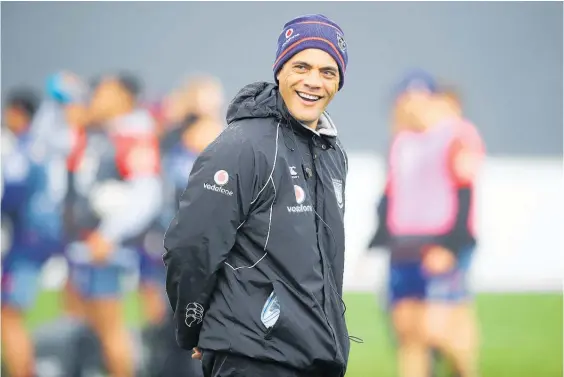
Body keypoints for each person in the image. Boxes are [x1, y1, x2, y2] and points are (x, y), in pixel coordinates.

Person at [163, 14, 352, 377]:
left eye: (328, 72)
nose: (314, 81)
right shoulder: (241, 146)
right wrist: (194, 328)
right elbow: (191, 246)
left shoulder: (332, 153)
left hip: (315, 357)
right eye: (302, 66)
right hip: (252, 358)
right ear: (279, 69)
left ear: (340, 81)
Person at [369, 70, 484, 377]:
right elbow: (391, 194)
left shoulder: (455, 135)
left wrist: (449, 245)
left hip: (440, 242)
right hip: (404, 246)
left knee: (442, 331)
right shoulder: (400, 142)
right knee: (408, 334)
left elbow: (464, 192)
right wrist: (377, 239)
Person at [65, 72, 162, 377]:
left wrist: (108, 235)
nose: (96, 97)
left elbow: (146, 195)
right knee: (88, 321)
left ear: (122, 96)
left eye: (105, 91)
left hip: (107, 248)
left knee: (111, 327)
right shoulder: (103, 132)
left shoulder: (133, 134)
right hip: (86, 243)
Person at [0, 87, 45, 377]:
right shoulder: (35, 146)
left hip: (23, 246)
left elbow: (11, 199)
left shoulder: (21, 150)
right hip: (31, 243)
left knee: (9, 317)